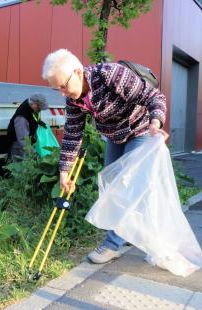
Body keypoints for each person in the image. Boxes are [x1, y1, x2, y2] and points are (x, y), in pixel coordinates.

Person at [41, 49, 167, 264]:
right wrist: (64, 171)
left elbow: (154, 96)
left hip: (142, 131)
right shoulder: (73, 100)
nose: (62, 93)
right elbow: (73, 134)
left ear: (78, 72)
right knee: (110, 186)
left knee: (125, 186)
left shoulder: (110, 74)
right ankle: (129, 232)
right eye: (56, 89)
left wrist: (156, 120)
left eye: (63, 85)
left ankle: (112, 244)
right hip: (115, 137)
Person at [7, 94, 49, 161]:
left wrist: (40, 122)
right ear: (34, 104)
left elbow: (33, 119)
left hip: (26, 145)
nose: (40, 110)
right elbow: (23, 140)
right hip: (19, 148)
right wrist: (34, 153)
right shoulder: (22, 117)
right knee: (21, 168)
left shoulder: (30, 109)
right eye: (39, 108)